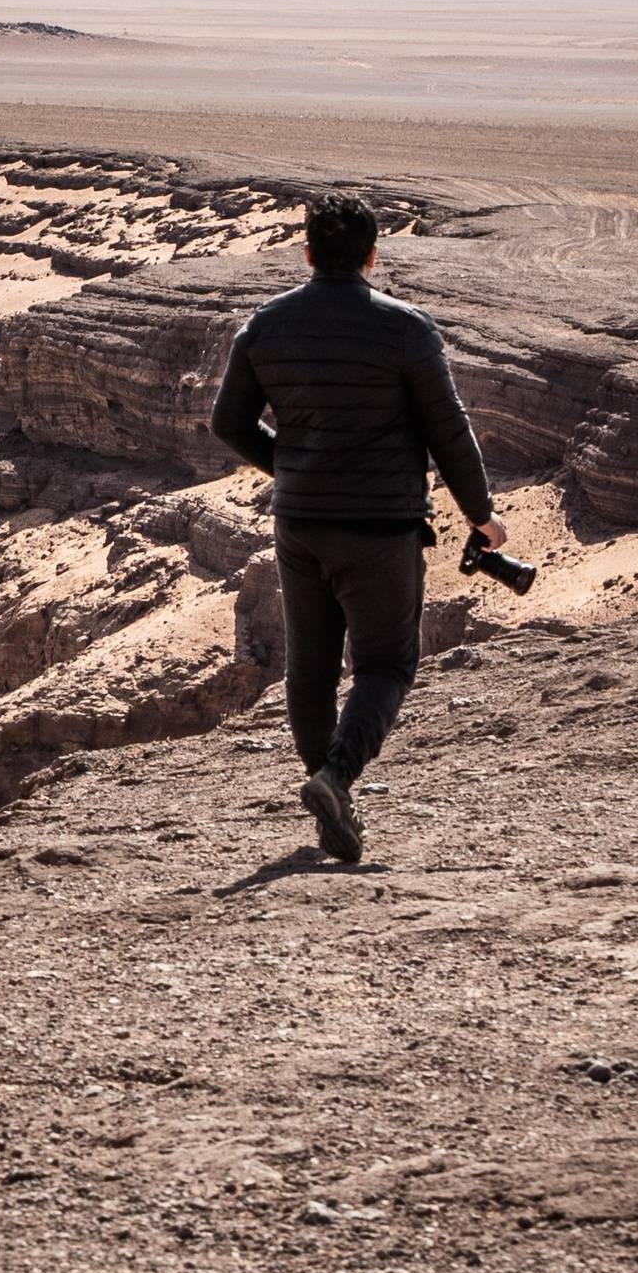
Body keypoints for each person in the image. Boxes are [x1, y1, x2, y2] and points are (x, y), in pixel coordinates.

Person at [208, 191, 502, 864]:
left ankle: (327, 799)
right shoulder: (406, 330)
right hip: (378, 527)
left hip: (301, 521)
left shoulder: (266, 326)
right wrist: (481, 515)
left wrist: (295, 464)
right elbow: (448, 432)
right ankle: (335, 780)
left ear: (309, 253)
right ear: (372, 255)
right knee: (386, 663)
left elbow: (228, 423)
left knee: (309, 668)